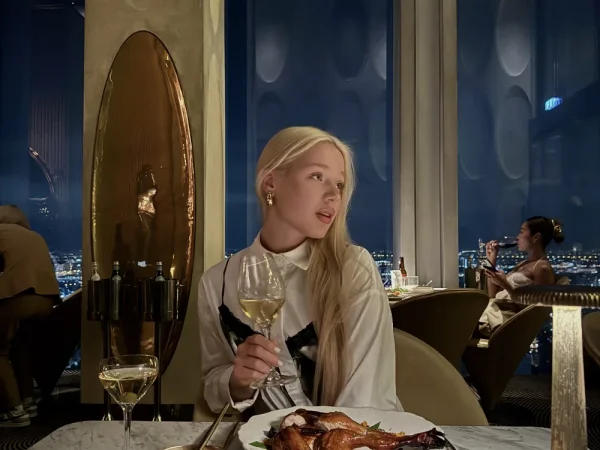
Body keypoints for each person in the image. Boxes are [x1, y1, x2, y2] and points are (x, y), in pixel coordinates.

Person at [198, 126, 401, 414]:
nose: (334, 195)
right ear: (271, 183)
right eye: (317, 176)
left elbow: (365, 399)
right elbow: (212, 390)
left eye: (340, 184)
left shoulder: (354, 269)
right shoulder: (216, 283)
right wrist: (238, 381)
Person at [0, 205, 60, 427]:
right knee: (21, 348)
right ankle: (28, 402)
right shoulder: (34, 236)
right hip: (46, 301)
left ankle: (13, 411)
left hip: (16, 298)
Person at [478, 216, 564, 337]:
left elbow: (536, 311)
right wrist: (492, 259)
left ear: (536, 237)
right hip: (493, 314)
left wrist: (505, 284)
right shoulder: (523, 263)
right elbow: (493, 294)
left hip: (504, 323)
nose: (518, 237)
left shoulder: (542, 268)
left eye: (522, 232)